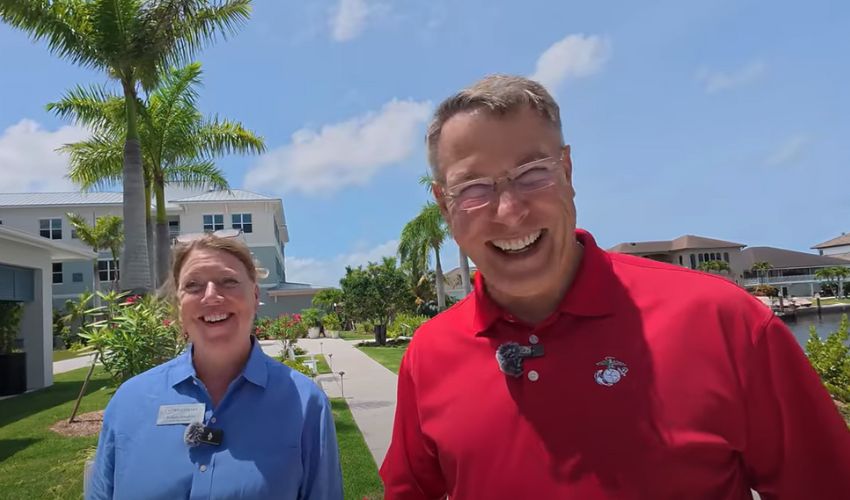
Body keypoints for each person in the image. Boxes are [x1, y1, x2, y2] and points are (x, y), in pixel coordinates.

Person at [380, 75, 850, 499]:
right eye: (474, 188)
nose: (508, 211)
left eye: (532, 174)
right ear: (444, 204)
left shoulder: (724, 321)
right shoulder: (429, 353)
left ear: (566, 172)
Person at [87, 234, 343, 499]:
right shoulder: (129, 402)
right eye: (193, 285)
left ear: (255, 295)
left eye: (229, 281)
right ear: (178, 303)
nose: (211, 296)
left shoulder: (305, 404)